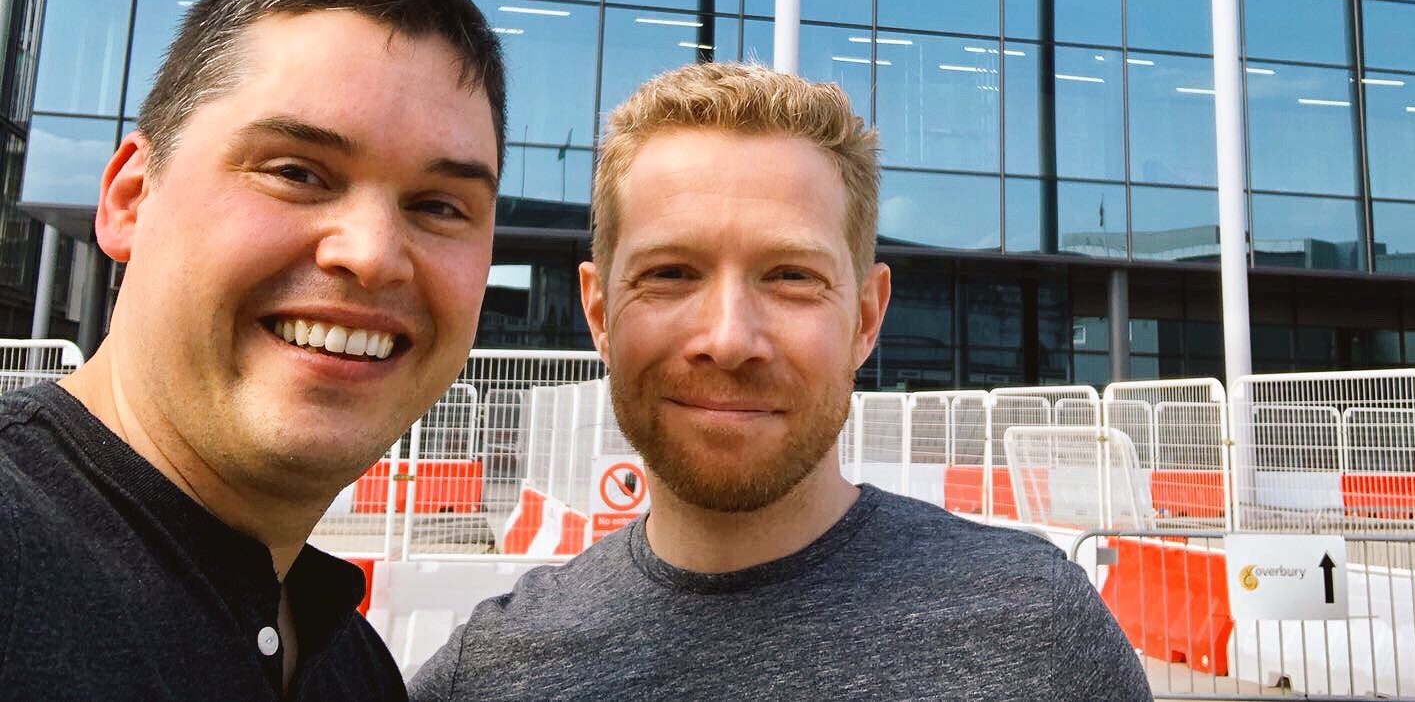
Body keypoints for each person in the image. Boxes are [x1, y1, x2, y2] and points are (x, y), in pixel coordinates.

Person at [411, 61, 1149, 701]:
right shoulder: (487, 675)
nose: (730, 340)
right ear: (600, 311)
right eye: (671, 274)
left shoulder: (1039, 633)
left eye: (791, 277)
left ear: (866, 317)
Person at [0, 0, 506, 700]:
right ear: (132, 198)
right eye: (296, 172)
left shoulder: (357, 671)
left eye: (438, 206)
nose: (371, 256)